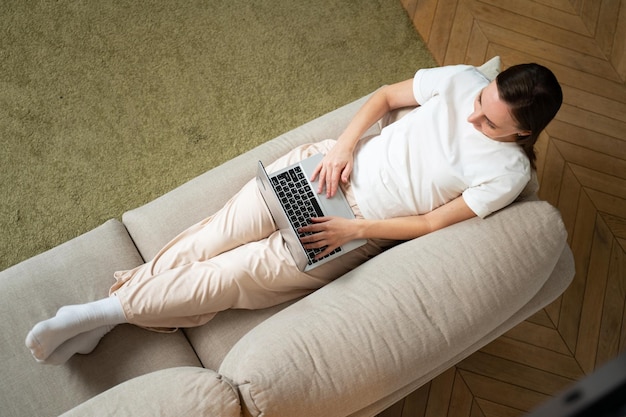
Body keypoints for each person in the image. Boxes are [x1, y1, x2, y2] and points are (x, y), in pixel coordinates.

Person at [26, 62, 563, 365]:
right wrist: (343, 147)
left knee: (228, 278)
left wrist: (354, 229)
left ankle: (101, 313)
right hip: (320, 172)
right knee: (210, 238)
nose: (473, 117)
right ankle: (109, 311)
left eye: (489, 122)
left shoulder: (508, 175)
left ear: (522, 132)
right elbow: (382, 97)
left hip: (352, 232)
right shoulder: (465, 80)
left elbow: (428, 225)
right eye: (480, 103)